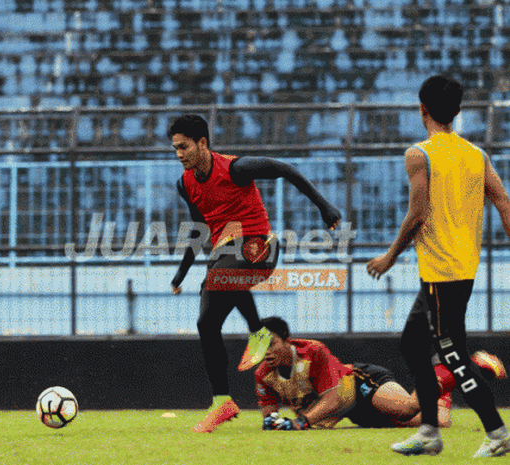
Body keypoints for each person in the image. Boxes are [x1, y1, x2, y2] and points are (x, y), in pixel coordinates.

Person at [167, 114, 342, 433]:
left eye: (184, 147)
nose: (179, 154)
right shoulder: (186, 183)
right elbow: (198, 231)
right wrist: (180, 274)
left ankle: (256, 329)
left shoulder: (236, 168)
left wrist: (324, 207)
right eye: (175, 148)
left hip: (260, 248)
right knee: (206, 321)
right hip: (228, 255)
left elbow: (284, 169)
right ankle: (222, 400)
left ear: (202, 143)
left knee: (221, 272)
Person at [367, 75, 510, 457]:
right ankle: (429, 431)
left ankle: (497, 432)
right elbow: (503, 202)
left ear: (422, 110)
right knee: (413, 344)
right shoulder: (477, 155)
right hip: (458, 268)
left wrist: (389, 256)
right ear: (458, 111)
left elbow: (417, 213)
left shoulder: (420, 154)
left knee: (451, 353)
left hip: (441, 272)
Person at [255, 316, 465, 431]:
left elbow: (333, 399)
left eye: (272, 344)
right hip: (353, 411)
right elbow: (269, 415)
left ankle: (454, 367)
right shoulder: (263, 375)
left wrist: (302, 421)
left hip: (361, 384)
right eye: (261, 347)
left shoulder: (312, 351)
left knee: (407, 409)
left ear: (286, 340)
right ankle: (442, 392)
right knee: (440, 420)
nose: (267, 352)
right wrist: (273, 422)